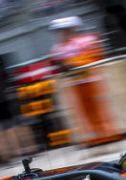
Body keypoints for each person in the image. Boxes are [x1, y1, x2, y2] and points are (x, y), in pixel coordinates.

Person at [49, 16, 121, 147]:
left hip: (92, 81)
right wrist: (64, 65)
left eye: (64, 30)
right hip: (74, 84)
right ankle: (92, 137)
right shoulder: (58, 48)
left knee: (100, 108)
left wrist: (71, 63)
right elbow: (56, 65)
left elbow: (94, 58)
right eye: (59, 31)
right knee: (82, 112)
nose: (61, 34)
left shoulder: (87, 40)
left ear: (72, 29)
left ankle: (109, 134)